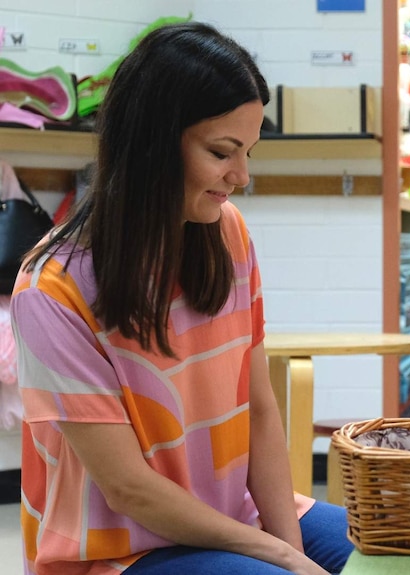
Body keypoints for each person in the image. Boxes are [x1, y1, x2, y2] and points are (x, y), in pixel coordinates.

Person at [11, 22, 353, 575]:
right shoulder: (51, 289)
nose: (240, 175)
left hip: (230, 518)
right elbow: (130, 491)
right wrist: (278, 555)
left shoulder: (227, 232)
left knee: (397, 557)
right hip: (122, 551)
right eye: (223, 152)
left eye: (248, 151)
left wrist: (289, 547)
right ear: (153, 144)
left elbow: (260, 411)